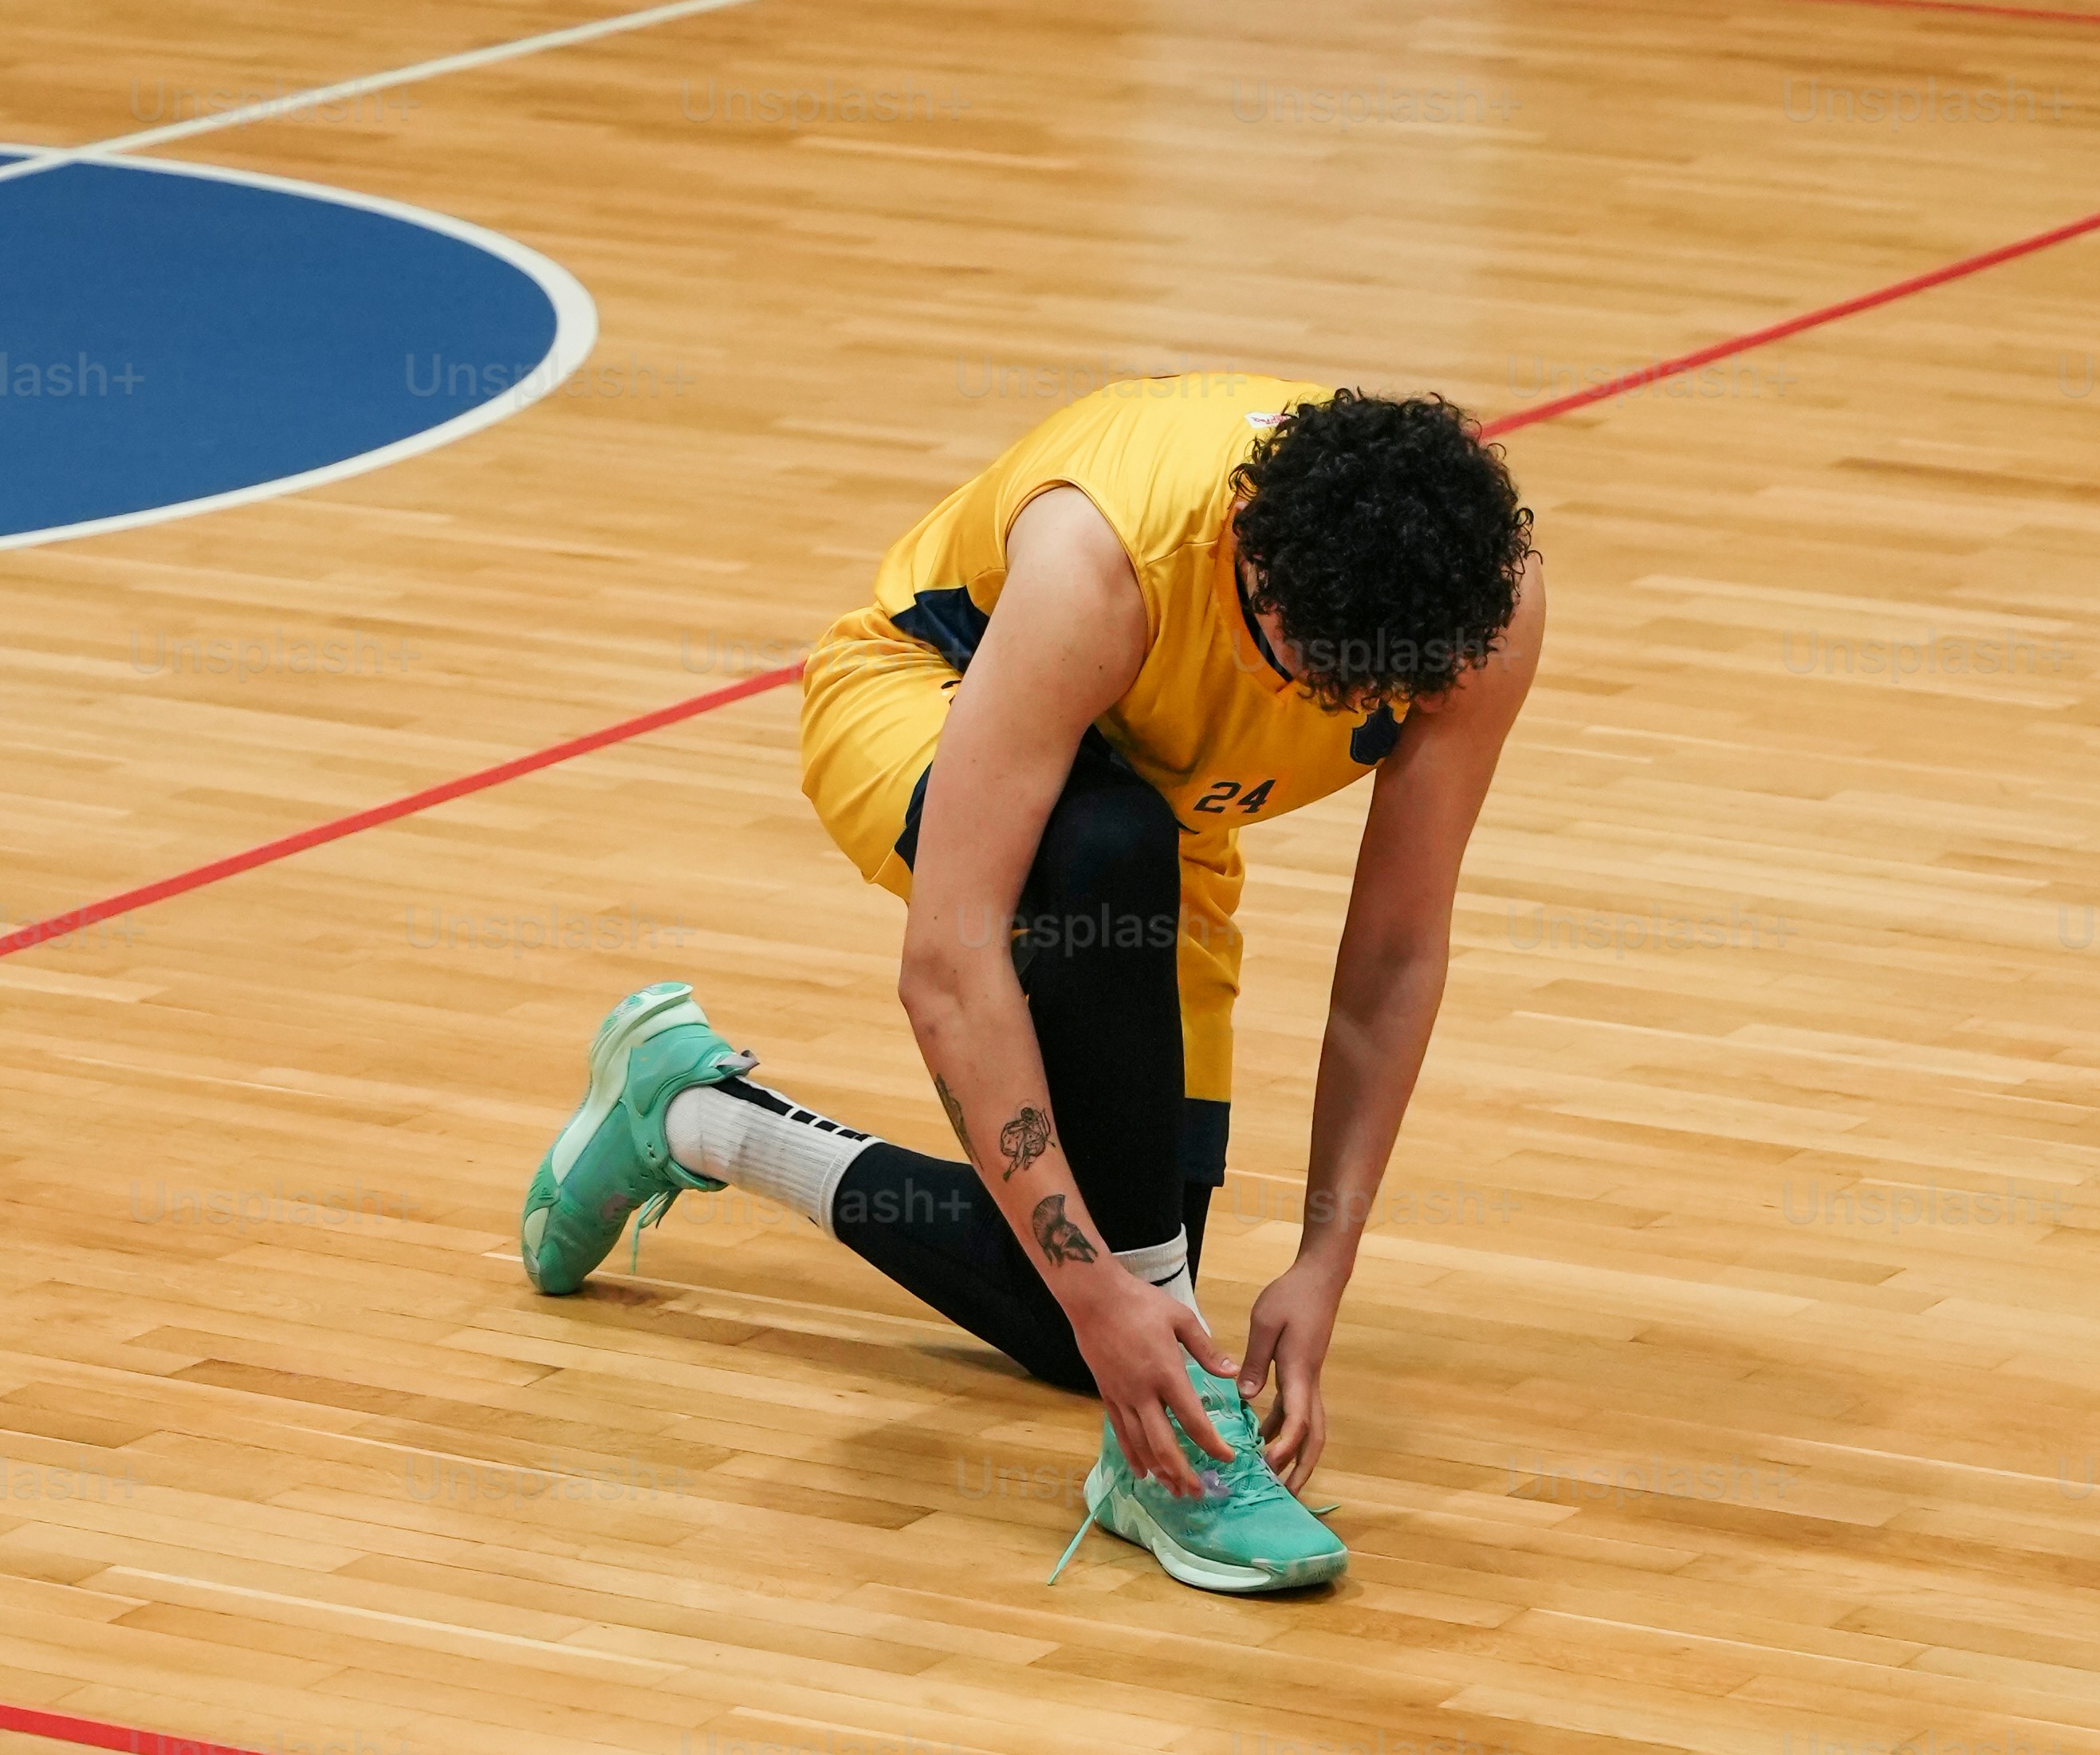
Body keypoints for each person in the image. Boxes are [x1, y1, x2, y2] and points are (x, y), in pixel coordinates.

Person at [520, 374, 1541, 1593]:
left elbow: (1394, 953)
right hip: (927, 702)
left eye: (1357, 695)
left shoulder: (1479, 608)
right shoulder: (1096, 563)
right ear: (1248, 556)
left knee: (1098, 1323)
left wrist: (1326, 1258)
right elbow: (947, 973)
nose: (1310, 710)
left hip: (1161, 818)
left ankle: (689, 1114)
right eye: (1298, 665)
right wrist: (1098, 1284)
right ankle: (1163, 1473)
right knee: (1100, 859)